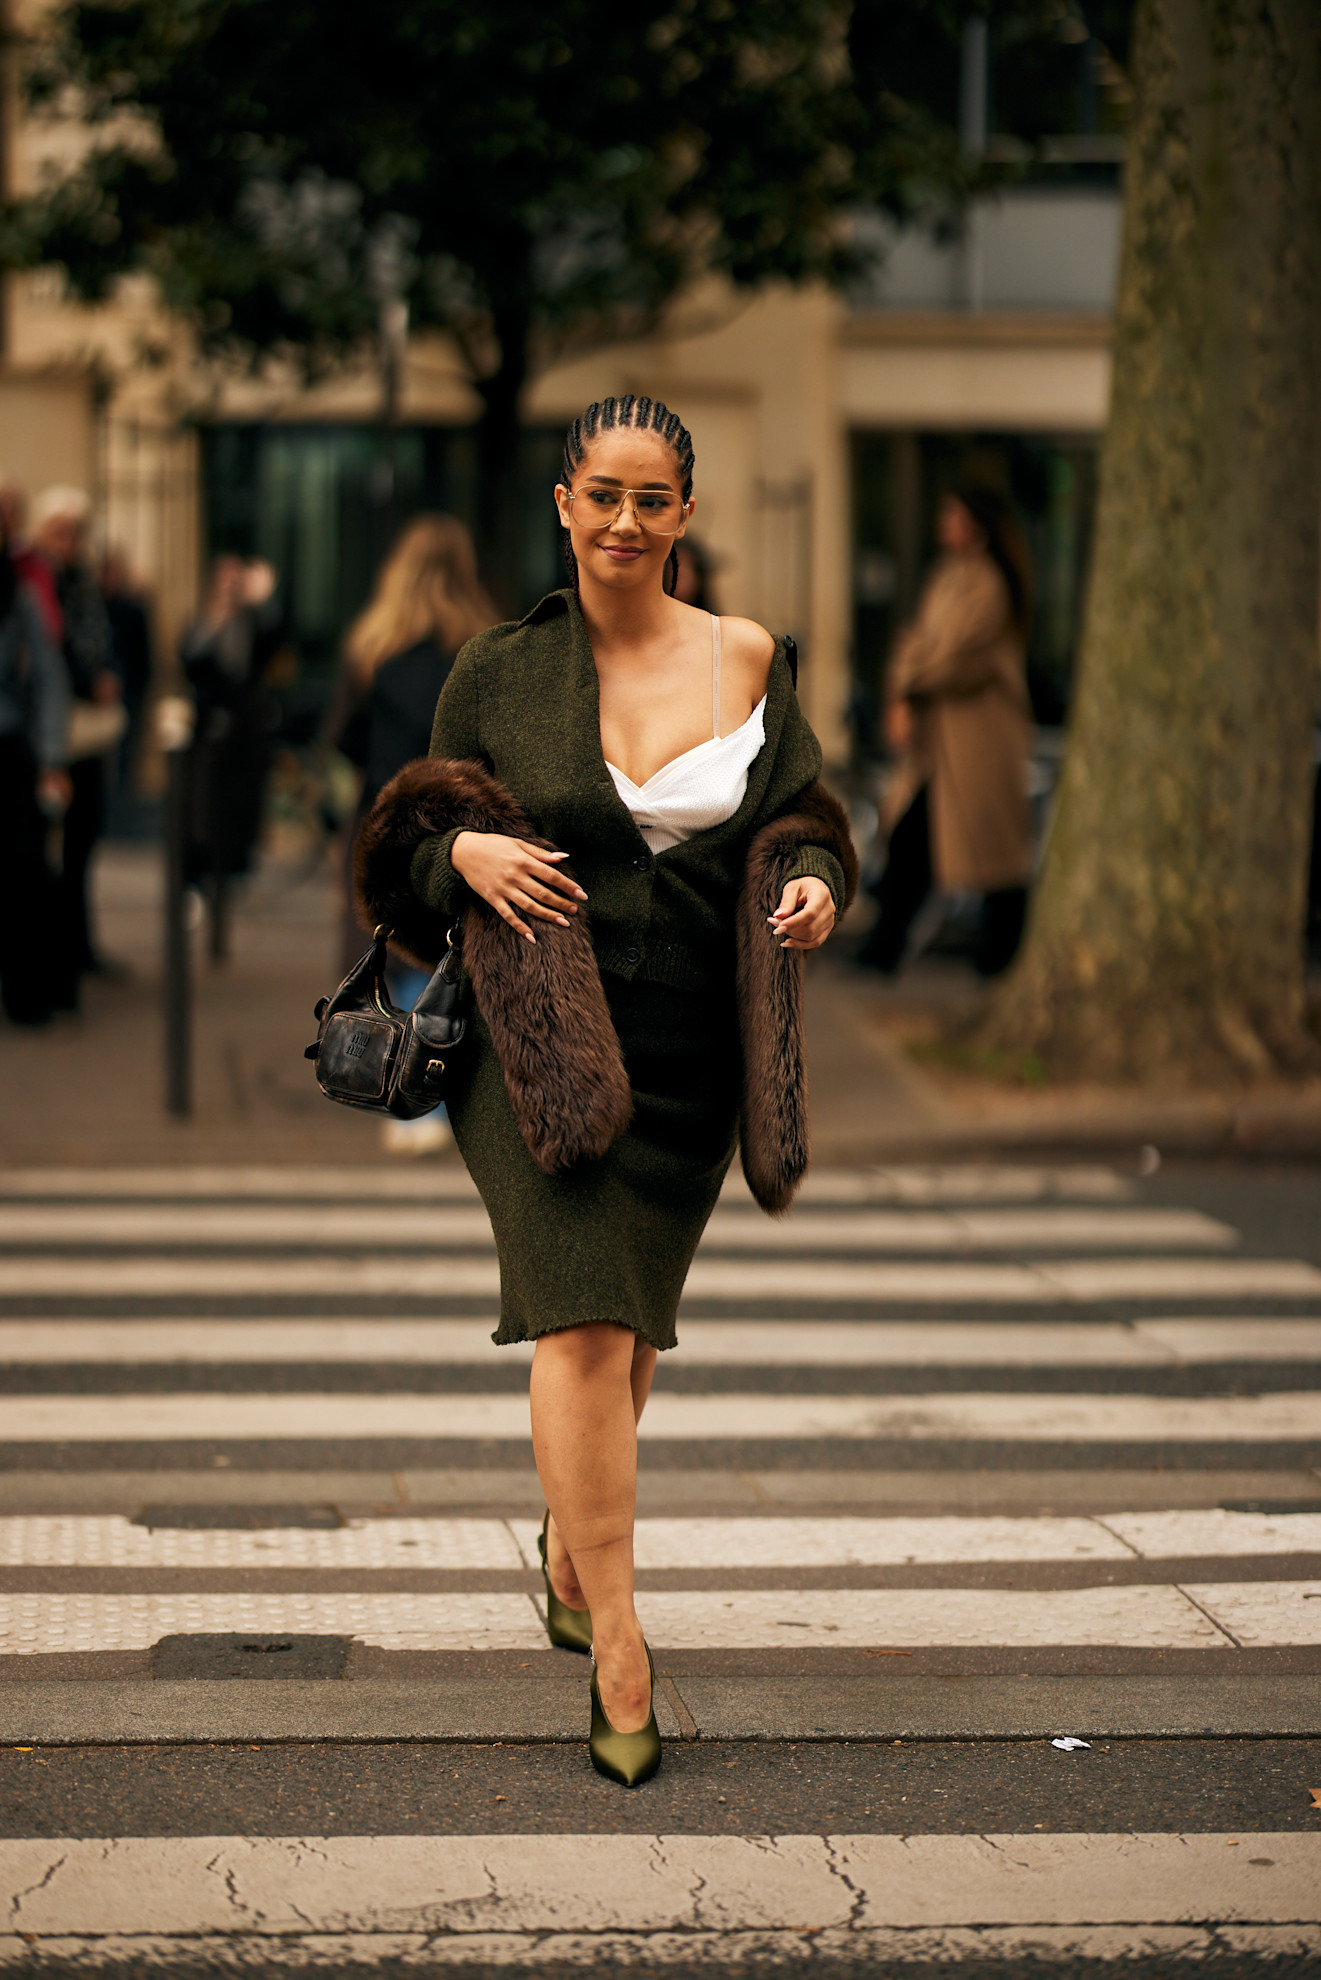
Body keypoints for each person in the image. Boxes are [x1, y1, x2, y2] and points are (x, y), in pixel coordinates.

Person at [357, 394, 857, 1786]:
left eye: (653, 500)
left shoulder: (748, 657)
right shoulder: (494, 673)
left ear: (685, 515)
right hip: (542, 1049)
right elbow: (404, 835)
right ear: (564, 505)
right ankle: (622, 1634)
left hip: (697, 1051)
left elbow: (806, 817)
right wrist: (457, 856)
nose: (625, 523)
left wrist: (814, 879)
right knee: (580, 1322)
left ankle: (571, 1547)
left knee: (628, 1342)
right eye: (603, 496)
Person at [329, 514, 499, 1153]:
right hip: (461, 822)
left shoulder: (372, 645)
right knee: (455, 952)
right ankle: (453, 1092)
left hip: (384, 817)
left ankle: (404, 1092)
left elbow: (343, 736)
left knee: (394, 948)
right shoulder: (482, 647)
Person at [858, 482, 1034, 978]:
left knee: (992, 847)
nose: (944, 523)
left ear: (976, 523)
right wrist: (901, 690)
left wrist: (906, 687)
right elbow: (916, 641)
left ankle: (1001, 951)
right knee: (913, 836)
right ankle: (886, 946)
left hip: (979, 739)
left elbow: (959, 659)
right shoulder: (946, 577)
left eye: (952, 514)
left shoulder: (989, 583)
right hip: (941, 739)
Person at [31, 486, 123, 985]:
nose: (67, 543)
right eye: (58, 532)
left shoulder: (83, 584)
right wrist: (91, 680)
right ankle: (53, 948)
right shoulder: (36, 583)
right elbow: (51, 656)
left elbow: (104, 640)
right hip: (52, 730)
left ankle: (76, 943)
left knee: (82, 842)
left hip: (86, 729)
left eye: (74, 533)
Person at [180, 556, 286, 912]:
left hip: (245, 730)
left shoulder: (253, 622)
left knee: (241, 802)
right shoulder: (202, 622)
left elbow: (276, 638)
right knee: (202, 804)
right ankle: (201, 874)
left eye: (234, 580)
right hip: (208, 728)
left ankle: (235, 869)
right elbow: (189, 659)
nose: (228, 586)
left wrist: (265, 599)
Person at [0, 511, 71, 1024]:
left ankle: (28, 997)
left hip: (9, 749)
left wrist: (50, 758)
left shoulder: (16, 591)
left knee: (24, 878)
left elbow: (48, 678)